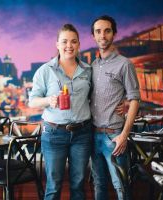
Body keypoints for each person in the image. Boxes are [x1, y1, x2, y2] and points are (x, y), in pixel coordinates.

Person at [29, 24, 92, 200]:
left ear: (79, 44)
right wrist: (48, 100)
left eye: (73, 41)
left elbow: (95, 98)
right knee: (54, 185)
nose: (69, 46)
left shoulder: (88, 70)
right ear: (57, 44)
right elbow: (32, 101)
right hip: (54, 133)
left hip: (82, 133)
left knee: (78, 184)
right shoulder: (45, 70)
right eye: (64, 41)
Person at [90, 15, 140, 200]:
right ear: (94, 36)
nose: (102, 35)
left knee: (121, 187)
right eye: (98, 31)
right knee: (99, 185)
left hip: (114, 136)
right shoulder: (92, 66)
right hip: (93, 135)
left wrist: (124, 136)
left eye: (107, 30)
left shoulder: (125, 64)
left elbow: (135, 99)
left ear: (114, 34)